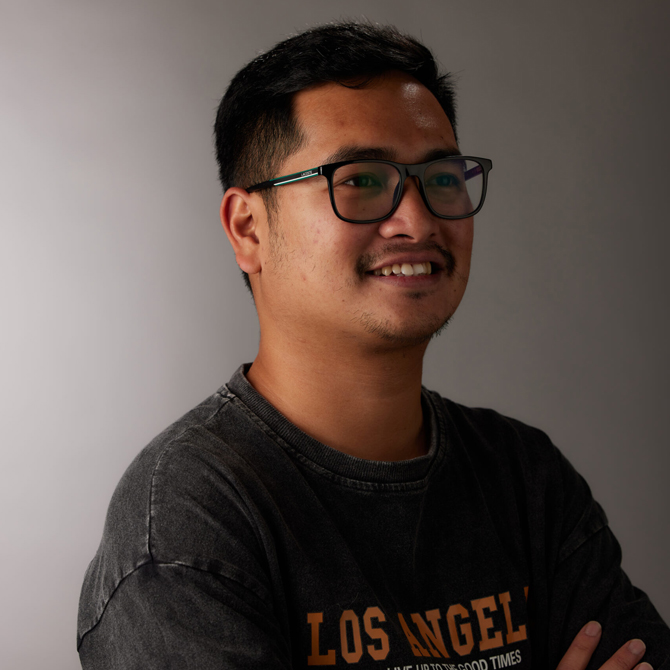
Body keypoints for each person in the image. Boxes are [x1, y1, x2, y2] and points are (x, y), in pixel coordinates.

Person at [77, 21, 669, 669]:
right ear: (248, 228)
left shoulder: (524, 477)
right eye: (360, 180)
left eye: (441, 178)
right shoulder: (188, 519)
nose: (417, 221)